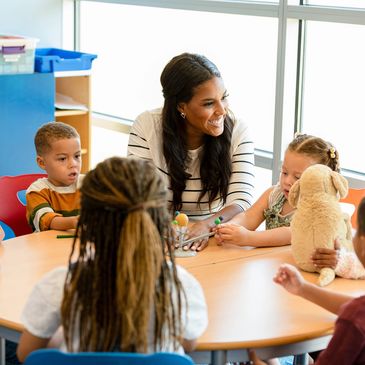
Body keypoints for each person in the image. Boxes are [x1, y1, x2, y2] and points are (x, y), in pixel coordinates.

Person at [17, 157, 208, 362]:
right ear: (160, 221)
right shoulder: (180, 285)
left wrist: (63, 337)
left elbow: (27, 354)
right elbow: (188, 344)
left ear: (87, 222)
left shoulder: (60, 284)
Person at [128, 52, 255, 251]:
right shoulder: (147, 126)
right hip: (159, 232)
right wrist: (161, 224)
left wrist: (207, 225)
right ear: (182, 106)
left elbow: (241, 201)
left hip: (215, 233)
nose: (221, 110)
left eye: (224, 98)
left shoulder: (239, 130)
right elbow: (138, 193)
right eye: (208, 103)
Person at [249, 197, 365, 365]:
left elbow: (355, 314)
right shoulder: (356, 312)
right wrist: (303, 289)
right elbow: (355, 307)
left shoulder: (353, 320)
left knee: (261, 354)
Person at [215, 134, 340, 249]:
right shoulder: (275, 194)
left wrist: (248, 237)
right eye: (284, 172)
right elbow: (249, 216)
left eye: (297, 177)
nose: (287, 181)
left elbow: (292, 233)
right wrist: (230, 227)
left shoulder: (318, 208)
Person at [26, 122, 83, 232]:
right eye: (62, 159)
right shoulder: (37, 191)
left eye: (77, 156)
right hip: (46, 247)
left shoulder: (88, 184)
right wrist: (74, 222)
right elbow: (47, 220)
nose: (73, 164)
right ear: (42, 163)